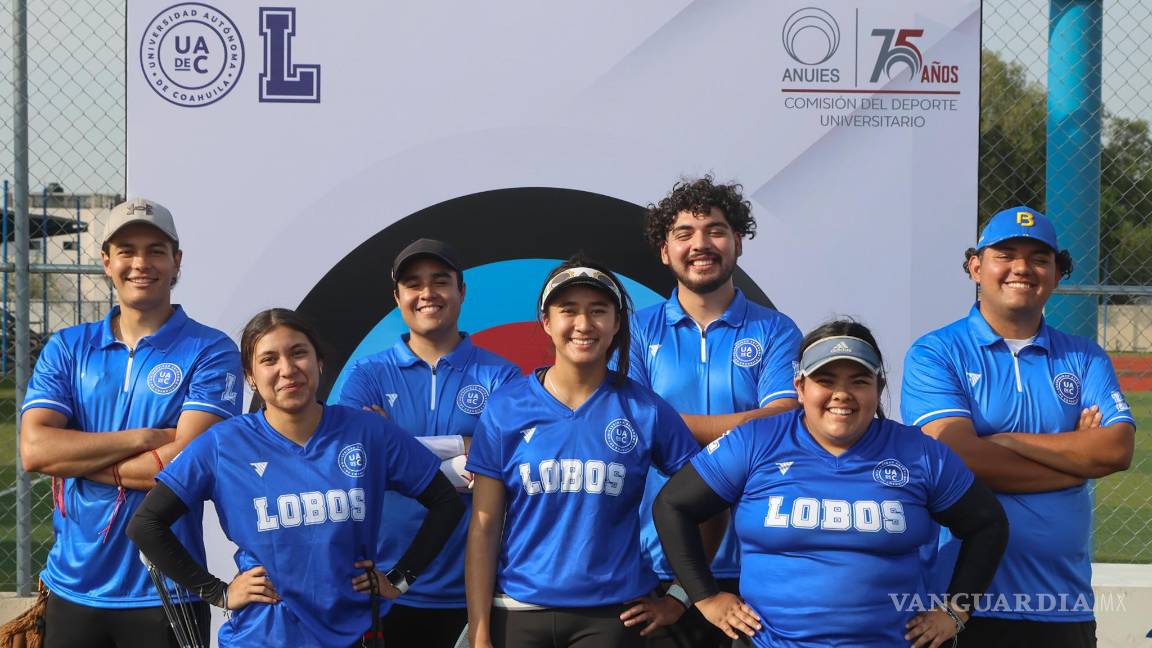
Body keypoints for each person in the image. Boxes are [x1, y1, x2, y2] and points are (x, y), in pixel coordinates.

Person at [654, 320, 1009, 647]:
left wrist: (955, 611)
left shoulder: (919, 453)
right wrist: (706, 598)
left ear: (879, 388)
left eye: (859, 381)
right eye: (825, 380)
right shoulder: (756, 441)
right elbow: (673, 505)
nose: (842, 394)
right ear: (800, 387)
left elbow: (987, 524)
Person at [126, 308, 466, 647]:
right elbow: (146, 524)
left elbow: (445, 502)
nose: (287, 369)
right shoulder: (223, 443)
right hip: (262, 637)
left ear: (319, 362)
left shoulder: (368, 432)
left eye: (298, 353)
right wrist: (219, 592)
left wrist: (401, 578)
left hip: (353, 634)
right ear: (250, 377)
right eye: (269, 359)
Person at [901, 206, 1136, 647]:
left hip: (1063, 603)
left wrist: (1006, 441)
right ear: (976, 267)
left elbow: (1116, 450)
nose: (1022, 268)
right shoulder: (936, 352)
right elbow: (960, 460)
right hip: (959, 604)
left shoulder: (1084, 357)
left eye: (1039, 258)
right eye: (1005, 255)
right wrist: (1075, 462)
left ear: (1057, 274)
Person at [19, 198, 242, 648]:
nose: (141, 263)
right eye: (127, 251)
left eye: (156, 250)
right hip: (71, 586)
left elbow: (190, 465)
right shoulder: (68, 347)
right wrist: (145, 438)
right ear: (107, 261)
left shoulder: (210, 350)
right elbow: (36, 450)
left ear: (177, 261)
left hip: (167, 588)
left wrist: (77, 460)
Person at [465, 258, 699, 648]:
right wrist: (479, 631)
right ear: (546, 321)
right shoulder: (506, 407)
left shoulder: (645, 409)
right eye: (568, 310)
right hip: (518, 612)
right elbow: (484, 526)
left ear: (617, 322)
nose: (583, 324)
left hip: (612, 617)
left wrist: (680, 595)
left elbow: (710, 500)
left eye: (598, 311)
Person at [629, 176, 803, 646]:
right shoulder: (636, 330)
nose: (700, 244)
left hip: (755, 561)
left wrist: (670, 426)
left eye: (715, 230)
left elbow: (784, 421)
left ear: (738, 243)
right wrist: (745, 428)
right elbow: (634, 424)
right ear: (664, 251)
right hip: (654, 561)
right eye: (684, 233)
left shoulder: (776, 330)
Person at [337, 239, 519, 646]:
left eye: (440, 281)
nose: (427, 293)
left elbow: (505, 462)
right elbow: (357, 464)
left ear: (461, 291)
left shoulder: (502, 376)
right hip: (384, 586)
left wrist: (394, 448)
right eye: (413, 284)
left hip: (473, 592)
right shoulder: (367, 375)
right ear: (397, 297)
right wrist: (464, 452)